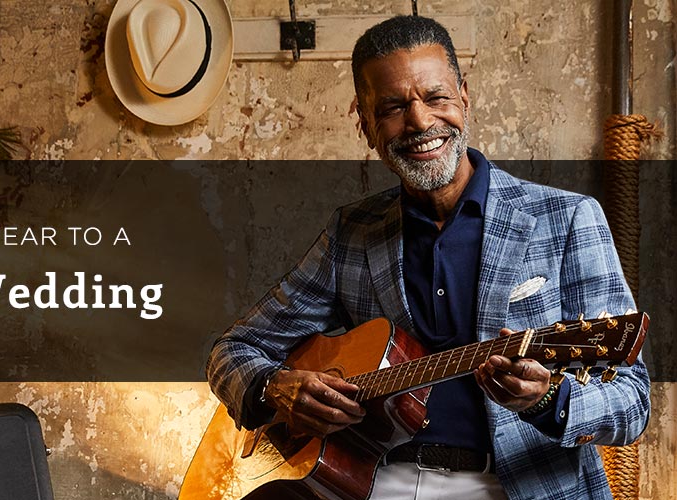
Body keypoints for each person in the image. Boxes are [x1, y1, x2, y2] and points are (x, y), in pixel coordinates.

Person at [206, 15, 650, 500]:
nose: (419, 122)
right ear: (364, 121)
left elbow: (631, 401)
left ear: (465, 95)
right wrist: (274, 387)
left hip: (519, 485)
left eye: (435, 97)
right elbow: (231, 351)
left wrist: (548, 399)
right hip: (378, 481)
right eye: (394, 106)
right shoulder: (351, 233)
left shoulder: (566, 219)